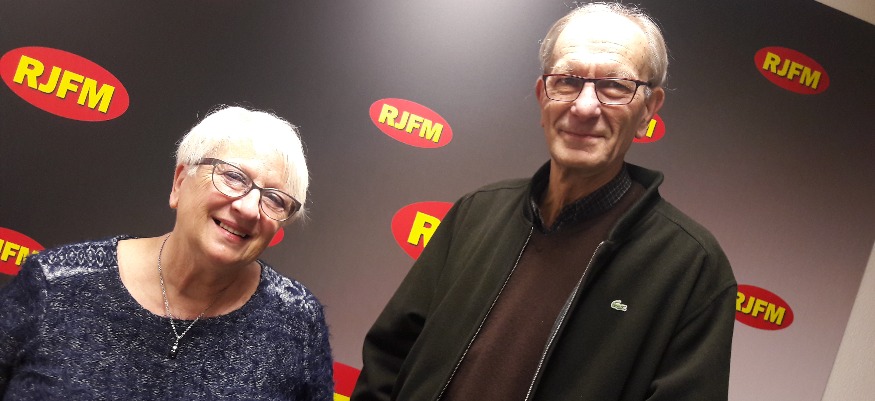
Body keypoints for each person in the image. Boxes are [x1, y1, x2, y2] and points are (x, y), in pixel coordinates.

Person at [351, 2, 736, 401]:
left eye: (615, 86)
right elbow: (387, 363)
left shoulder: (691, 266)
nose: (584, 107)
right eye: (567, 80)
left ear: (648, 111)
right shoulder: (474, 215)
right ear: (542, 96)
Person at [0, 105, 334, 400]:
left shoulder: (297, 322)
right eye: (233, 177)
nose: (248, 208)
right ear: (179, 182)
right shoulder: (56, 283)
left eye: (274, 199)